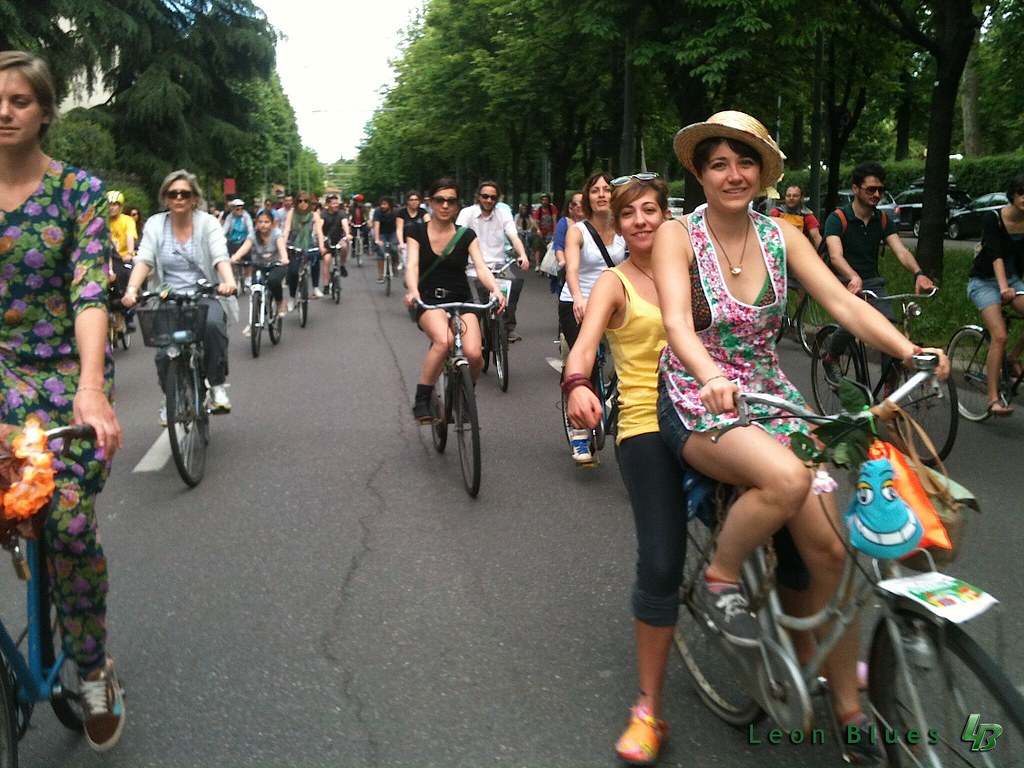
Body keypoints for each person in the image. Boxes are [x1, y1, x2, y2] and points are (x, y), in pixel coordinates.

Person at [653, 110, 950, 762]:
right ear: (701, 173)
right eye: (719, 163)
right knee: (786, 479)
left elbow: (843, 305)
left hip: (772, 399)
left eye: (746, 161)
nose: (734, 174)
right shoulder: (679, 235)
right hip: (699, 398)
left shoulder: (782, 234)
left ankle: (848, 711)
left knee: (833, 556)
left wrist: (910, 349)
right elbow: (676, 322)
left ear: (763, 172)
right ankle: (721, 578)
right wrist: (707, 374)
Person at [0, 49, 125, 752]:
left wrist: (90, 387)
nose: (3, 112)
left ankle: (92, 664)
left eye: (19, 100)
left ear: (46, 111)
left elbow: (87, 291)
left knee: (70, 525)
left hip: (55, 380)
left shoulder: (79, 192)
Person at [564, 174, 677, 765]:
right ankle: (648, 706)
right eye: (629, 212)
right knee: (662, 560)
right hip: (644, 426)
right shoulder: (612, 282)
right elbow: (584, 347)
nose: (639, 220)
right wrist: (577, 383)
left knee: (791, 503)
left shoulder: (693, 268)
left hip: (713, 415)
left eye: (651, 209)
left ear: (666, 214)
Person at [122, 169, 238, 417]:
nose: (179, 198)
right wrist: (132, 290)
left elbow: (220, 256)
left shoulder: (207, 224)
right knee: (165, 352)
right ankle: (170, 397)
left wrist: (227, 282)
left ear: (194, 198)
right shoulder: (155, 224)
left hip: (204, 293)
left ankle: (216, 387)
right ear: (165, 198)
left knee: (213, 327)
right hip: (168, 295)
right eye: (172, 194)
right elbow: (144, 259)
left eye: (185, 194)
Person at [404, 178, 507, 422]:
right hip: (430, 299)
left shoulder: (466, 235)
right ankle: (422, 399)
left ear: (458, 205)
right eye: (439, 200)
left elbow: (481, 268)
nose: (445, 205)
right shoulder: (416, 231)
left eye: (451, 201)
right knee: (444, 340)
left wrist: (495, 290)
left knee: (474, 355)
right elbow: (412, 265)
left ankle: (461, 394)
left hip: (462, 299)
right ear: (430, 202)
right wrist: (413, 291)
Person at [822, 162, 936, 378]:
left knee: (890, 331)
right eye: (870, 189)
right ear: (856, 189)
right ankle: (832, 356)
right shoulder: (838, 218)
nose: (876, 194)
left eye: (880, 190)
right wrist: (852, 276)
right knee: (852, 323)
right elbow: (836, 256)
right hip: (842, 281)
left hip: (872, 282)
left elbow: (901, 252)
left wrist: (919, 274)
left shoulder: (882, 219)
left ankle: (889, 391)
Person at [559, 171, 626, 463]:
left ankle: (612, 401)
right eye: (595, 190)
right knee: (581, 364)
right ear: (588, 197)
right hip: (579, 302)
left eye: (607, 190)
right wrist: (578, 297)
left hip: (614, 304)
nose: (602, 194)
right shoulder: (578, 231)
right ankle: (579, 436)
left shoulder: (625, 230)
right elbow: (572, 269)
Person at [966, 173, 1024, 416]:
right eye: (1023, 193)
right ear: (1013, 195)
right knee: (998, 335)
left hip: (1014, 280)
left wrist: (1010, 286)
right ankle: (992, 399)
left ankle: (1012, 358)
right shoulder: (993, 218)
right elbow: (996, 254)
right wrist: (1003, 289)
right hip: (984, 282)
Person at [456, 181, 531, 341]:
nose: (489, 200)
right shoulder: (467, 213)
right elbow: (457, 237)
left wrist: (522, 255)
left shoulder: (503, 214)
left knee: (513, 287)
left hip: (499, 266)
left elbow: (513, 237)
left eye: (493, 197)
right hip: (473, 267)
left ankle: (508, 328)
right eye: (485, 196)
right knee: (476, 302)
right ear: (478, 197)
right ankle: (474, 334)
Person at [230, 209, 289, 335]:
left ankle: (280, 303)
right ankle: (254, 322)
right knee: (255, 288)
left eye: (266, 222)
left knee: (273, 282)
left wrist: (284, 258)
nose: (263, 224)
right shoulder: (253, 235)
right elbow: (245, 247)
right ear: (256, 223)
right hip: (259, 265)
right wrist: (235, 257)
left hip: (276, 265)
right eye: (260, 222)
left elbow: (281, 247)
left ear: (272, 223)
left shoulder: (276, 234)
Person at [282, 190, 327, 303]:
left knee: (315, 257)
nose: (303, 203)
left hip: (309, 243)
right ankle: (292, 297)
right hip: (294, 244)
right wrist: (282, 245)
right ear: (296, 202)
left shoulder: (314, 214)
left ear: (309, 203)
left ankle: (315, 287)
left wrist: (321, 246)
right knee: (293, 272)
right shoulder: (291, 213)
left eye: (306, 201)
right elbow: (286, 230)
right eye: (300, 201)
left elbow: (319, 233)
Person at [107, 189, 138, 330]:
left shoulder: (127, 220)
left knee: (131, 277)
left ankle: (130, 316)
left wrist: (129, 253)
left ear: (121, 206)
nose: (112, 207)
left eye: (115, 204)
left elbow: (130, 237)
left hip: (123, 258)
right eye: (109, 204)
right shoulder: (102, 221)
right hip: (107, 258)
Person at [769, 184, 822, 249]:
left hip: (799, 252)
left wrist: (822, 256)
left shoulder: (807, 215)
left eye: (795, 196)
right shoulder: (775, 212)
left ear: (801, 197)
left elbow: (816, 237)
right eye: (788, 195)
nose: (791, 198)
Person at [396, 190, 430, 271]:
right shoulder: (402, 213)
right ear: (407, 201)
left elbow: (429, 226)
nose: (414, 202)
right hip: (406, 243)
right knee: (409, 267)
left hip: (421, 243)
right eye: (411, 200)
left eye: (416, 200)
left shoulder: (423, 212)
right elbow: (399, 229)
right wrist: (401, 243)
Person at [320, 192, 349, 284]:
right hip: (326, 241)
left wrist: (347, 234)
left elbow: (345, 224)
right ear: (328, 204)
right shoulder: (323, 214)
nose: (336, 205)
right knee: (327, 260)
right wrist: (320, 236)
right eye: (333, 203)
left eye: (337, 203)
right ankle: (325, 285)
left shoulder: (341, 213)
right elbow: (319, 226)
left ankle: (342, 265)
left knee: (344, 246)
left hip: (338, 239)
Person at [372, 195, 399, 283]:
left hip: (393, 232)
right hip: (382, 233)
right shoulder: (377, 212)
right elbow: (376, 225)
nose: (382, 206)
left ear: (390, 204)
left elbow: (399, 225)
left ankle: (395, 265)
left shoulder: (396, 212)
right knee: (381, 252)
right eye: (381, 204)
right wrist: (377, 239)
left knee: (394, 248)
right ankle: (381, 275)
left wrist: (400, 238)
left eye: (385, 204)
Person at [532, 192, 559, 259]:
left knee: (550, 247)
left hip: (550, 231)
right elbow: (534, 221)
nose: (544, 202)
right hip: (541, 231)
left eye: (546, 200)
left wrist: (555, 230)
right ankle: (537, 264)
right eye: (543, 200)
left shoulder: (552, 208)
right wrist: (538, 229)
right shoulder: (539, 210)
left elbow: (554, 219)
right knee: (538, 247)